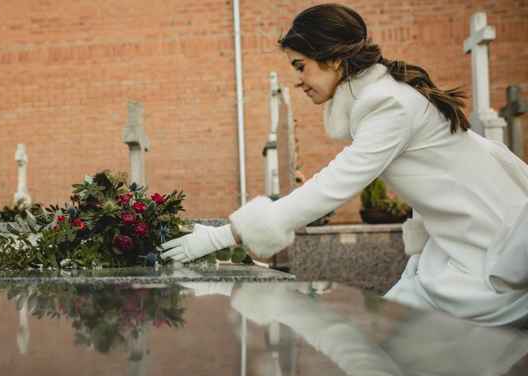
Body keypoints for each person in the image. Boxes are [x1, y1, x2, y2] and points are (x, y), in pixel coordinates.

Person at [160, 3, 528, 327]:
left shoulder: (390, 104)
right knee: (395, 342)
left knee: (430, 348)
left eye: (301, 66)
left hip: (490, 253)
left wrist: (221, 236)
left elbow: (331, 186)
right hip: (452, 249)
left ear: (334, 59)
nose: (299, 80)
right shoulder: (384, 99)